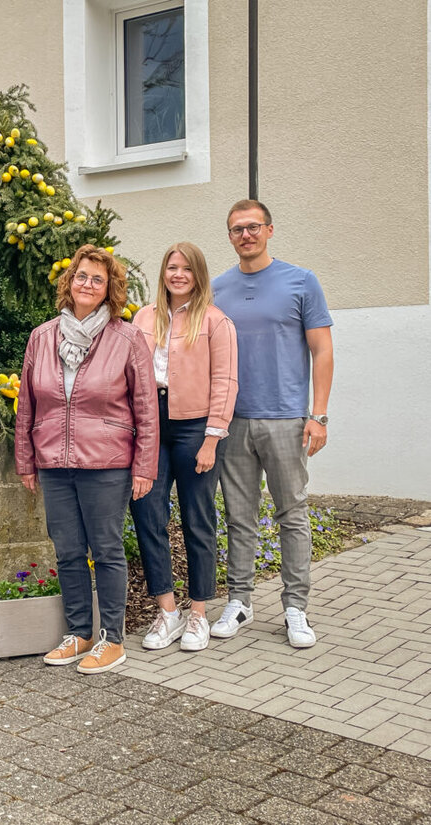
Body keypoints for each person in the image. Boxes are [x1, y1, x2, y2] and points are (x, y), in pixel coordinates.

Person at [15, 244, 158, 674]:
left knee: (108, 550)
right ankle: (79, 634)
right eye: (82, 276)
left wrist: (144, 465)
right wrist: (26, 460)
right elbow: (27, 404)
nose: (88, 284)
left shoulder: (127, 337)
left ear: (109, 288)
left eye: (98, 279)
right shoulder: (42, 337)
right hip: (54, 462)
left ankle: (113, 639)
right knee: (69, 551)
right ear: (69, 282)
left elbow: (146, 408)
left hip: (108, 463)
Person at [212, 200, 333, 648]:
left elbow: (322, 350)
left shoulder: (301, 281)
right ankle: (239, 601)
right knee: (239, 518)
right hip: (232, 422)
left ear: (269, 230)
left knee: (292, 515)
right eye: (237, 229)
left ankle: (295, 608)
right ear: (230, 237)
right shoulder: (217, 288)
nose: (246, 235)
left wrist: (317, 415)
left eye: (253, 227)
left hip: (286, 418)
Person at [130, 242, 238, 652]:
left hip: (196, 427)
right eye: (172, 267)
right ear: (164, 273)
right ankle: (168, 612)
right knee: (147, 513)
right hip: (151, 424)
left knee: (198, 520)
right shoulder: (145, 318)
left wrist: (212, 439)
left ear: (198, 276)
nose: (178, 274)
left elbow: (226, 383)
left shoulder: (215, 321)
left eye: (186, 269)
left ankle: (197, 615)